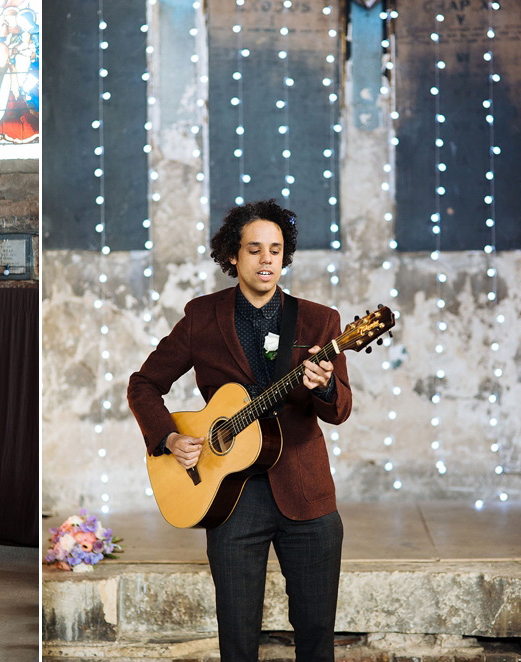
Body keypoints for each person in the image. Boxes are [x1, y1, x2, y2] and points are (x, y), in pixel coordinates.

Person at [127, 199, 353, 662]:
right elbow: (144, 384)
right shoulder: (201, 316)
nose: (266, 259)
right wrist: (168, 438)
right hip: (229, 496)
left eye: (275, 249)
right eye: (254, 249)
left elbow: (340, 410)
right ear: (233, 255)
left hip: (307, 494)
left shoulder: (319, 321)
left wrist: (326, 386)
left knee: (315, 634)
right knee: (237, 637)